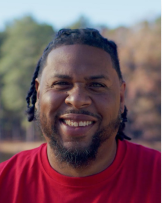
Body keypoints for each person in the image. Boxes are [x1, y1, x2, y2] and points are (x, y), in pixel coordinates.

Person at [0, 28, 160, 203]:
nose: (77, 100)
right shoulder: (4, 183)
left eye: (97, 85)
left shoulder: (156, 176)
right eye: (61, 83)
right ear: (38, 95)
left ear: (121, 98)